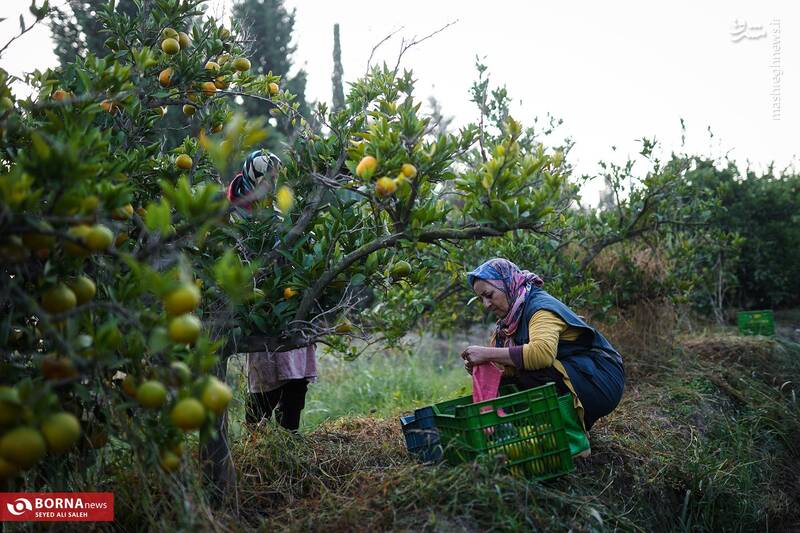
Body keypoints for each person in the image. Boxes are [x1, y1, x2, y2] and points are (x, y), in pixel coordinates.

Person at [460, 258, 624, 433]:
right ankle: (543, 431)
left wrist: (486, 354)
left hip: (602, 378)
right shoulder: (509, 321)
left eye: (489, 295)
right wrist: (484, 365)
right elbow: (510, 368)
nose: (486, 305)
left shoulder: (540, 309)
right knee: (508, 380)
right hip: (579, 372)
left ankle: (571, 433)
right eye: (481, 299)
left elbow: (542, 355)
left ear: (506, 284)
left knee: (533, 372)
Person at [226, 149, 317, 432]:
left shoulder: (276, 210)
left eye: (275, 176)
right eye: (268, 176)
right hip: (260, 305)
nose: (273, 181)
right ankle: (255, 438)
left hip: (289, 300)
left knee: (296, 372)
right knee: (265, 375)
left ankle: (289, 434)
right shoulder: (235, 211)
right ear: (255, 174)